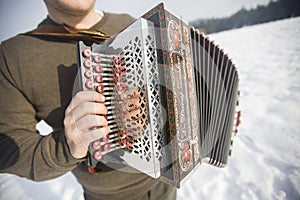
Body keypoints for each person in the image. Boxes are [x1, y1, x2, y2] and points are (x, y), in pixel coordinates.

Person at [0, 0, 176, 199]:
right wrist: (67, 146)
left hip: (165, 183)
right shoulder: (11, 57)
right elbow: (6, 148)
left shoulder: (132, 25)